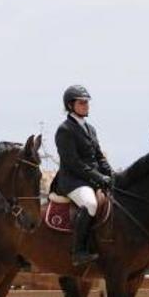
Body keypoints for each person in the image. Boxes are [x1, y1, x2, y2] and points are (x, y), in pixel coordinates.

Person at [52, 85, 113, 266]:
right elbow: (74, 163)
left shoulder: (90, 128)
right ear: (71, 105)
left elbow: (99, 156)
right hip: (73, 181)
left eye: (87, 102)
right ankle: (78, 251)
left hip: (91, 179)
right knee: (90, 204)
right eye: (82, 102)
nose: (86, 105)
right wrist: (98, 177)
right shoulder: (65, 130)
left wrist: (111, 174)